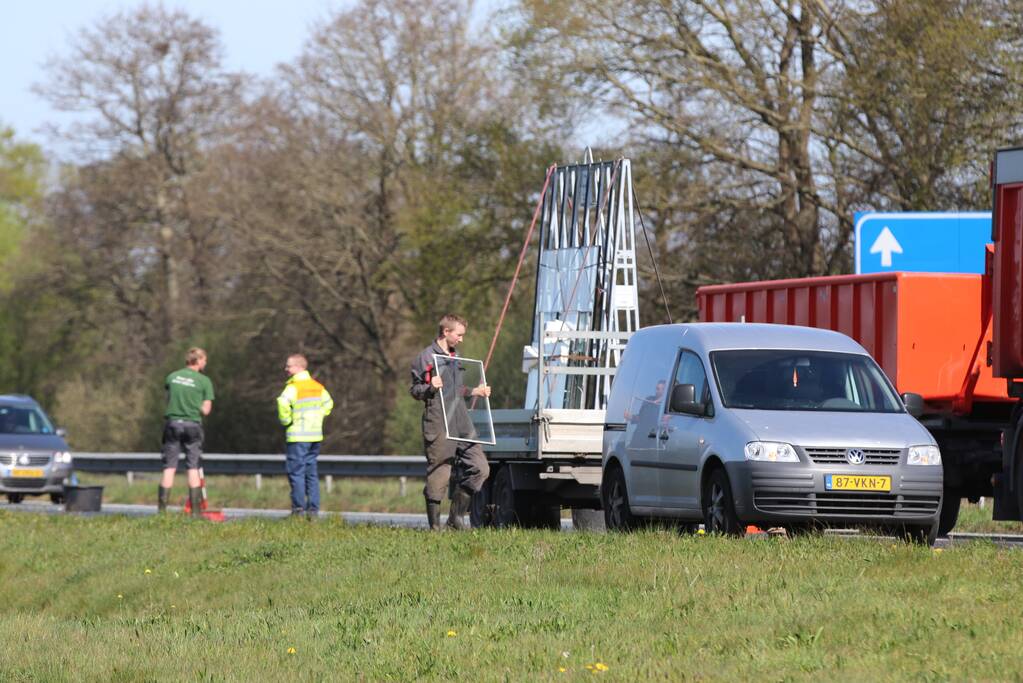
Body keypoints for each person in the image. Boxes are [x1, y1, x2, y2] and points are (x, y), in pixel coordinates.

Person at [410, 314, 491, 530]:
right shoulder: (426, 357)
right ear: (446, 332)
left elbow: (456, 390)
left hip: (460, 417)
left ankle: (455, 518)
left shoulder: (456, 356)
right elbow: (415, 390)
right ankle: (435, 529)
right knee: (440, 471)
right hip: (438, 418)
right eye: (459, 334)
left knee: (481, 468)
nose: (461, 339)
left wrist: (476, 391)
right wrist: (429, 388)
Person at [158, 347, 214, 515]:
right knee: (193, 467)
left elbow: (169, 397)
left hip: (173, 424)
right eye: (204, 360)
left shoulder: (172, 377)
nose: (205, 363)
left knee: (169, 467)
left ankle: (162, 511)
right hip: (192, 426)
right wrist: (195, 404)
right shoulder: (204, 381)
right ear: (198, 360)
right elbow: (206, 411)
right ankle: (195, 513)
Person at [277, 354, 334, 518]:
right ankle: (313, 510)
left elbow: (282, 402)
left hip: (298, 436)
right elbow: (329, 403)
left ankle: (298, 510)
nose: (286, 369)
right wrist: (318, 417)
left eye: (289, 366)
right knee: (311, 473)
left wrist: (286, 420)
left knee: (296, 473)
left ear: (298, 367)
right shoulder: (317, 386)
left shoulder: (293, 387)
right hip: (315, 436)